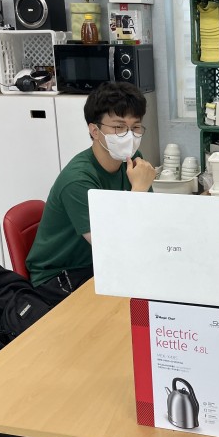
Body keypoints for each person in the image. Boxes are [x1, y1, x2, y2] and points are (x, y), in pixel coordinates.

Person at [26, 81, 156, 306]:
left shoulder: (132, 162)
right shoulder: (78, 181)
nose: (129, 136)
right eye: (118, 127)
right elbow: (112, 247)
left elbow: (148, 224)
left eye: (135, 127)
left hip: (101, 264)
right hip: (60, 277)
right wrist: (138, 191)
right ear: (95, 130)